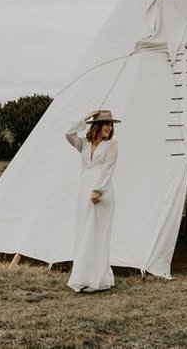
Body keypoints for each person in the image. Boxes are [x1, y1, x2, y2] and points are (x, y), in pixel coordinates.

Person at [65, 109, 120, 292]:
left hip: (101, 192)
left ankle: (97, 278)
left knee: (97, 233)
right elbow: (69, 134)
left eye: (111, 125)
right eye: (106, 124)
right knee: (84, 230)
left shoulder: (111, 144)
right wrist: (86, 117)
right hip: (84, 191)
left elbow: (108, 168)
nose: (110, 128)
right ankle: (84, 276)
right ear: (97, 126)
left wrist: (98, 189)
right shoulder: (84, 144)